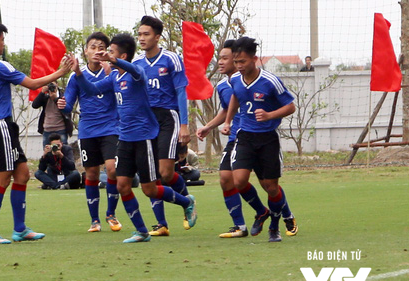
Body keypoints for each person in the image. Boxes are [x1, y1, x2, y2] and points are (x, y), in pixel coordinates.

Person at [69, 33, 197, 243]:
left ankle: (186, 202)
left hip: (144, 138)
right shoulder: (113, 77)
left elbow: (135, 69)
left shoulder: (137, 74)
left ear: (123, 55)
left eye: (111, 51)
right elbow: (91, 90)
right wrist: (77, 72)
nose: (106, 54)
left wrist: (114, 61)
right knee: (122, 185)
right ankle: (141, 231)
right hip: (125, 139)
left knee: (150, 188)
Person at [0, 21, 71, 245]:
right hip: (1, 127)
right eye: (2, 40)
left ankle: (20, 229)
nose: (4, 44)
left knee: (23, 174)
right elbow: (33, 83)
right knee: (2, 179)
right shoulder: (0, 66)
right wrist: (61, 72)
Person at [221, 36, 299, 242]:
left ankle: (275, 226)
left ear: (254, 59)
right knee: (238, 181)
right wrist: (228, 121)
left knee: (271, 187)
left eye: (242, 62)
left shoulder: (270, 81)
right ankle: (261, 212)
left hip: (267, 140)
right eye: (236, 62)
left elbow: (290, 106)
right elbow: (235, 97)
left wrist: (269, 115)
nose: (239, 66)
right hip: (245, 137)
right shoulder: (235, 79)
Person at [197, 39, 270, 239]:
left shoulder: (249, 79)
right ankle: (241, 225)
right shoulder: (222, 85)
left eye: (225, 58)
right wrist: (209, 126)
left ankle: (285, 216)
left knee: (267, 184)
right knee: (225, 179)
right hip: (235, 139)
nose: (220, 62)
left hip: (255, 138)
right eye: (219, 58)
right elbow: (226, 110)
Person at [58, 31, 122, 233]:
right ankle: (95, 220)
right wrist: (62, 104)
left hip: (112, 128)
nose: (97, 51)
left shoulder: (113, 72)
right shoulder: (76, 77)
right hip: (88, 130)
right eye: (93, 47)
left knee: (112, 169)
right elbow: (68, 106)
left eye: (101, 47)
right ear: (85, 51)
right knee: (92, 174)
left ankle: (111, 214)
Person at [133, 15, 192, 237]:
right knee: (150, 175)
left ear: (157, 37)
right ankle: (161, 224)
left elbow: (181, 91)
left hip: (168, 117)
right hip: (145, 120)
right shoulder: (136, 64)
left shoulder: (171, 59)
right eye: (139, 34)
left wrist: (184, 125)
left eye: (146, 34)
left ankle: (188, 203)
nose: (141, 38)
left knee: (166, 173)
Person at [32, 81, 73, 145]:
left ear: (57, 85)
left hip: (60, 129)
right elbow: (35, 105)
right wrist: (42, 92)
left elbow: (66, 110)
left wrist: (55, 98)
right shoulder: (45, 97)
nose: (51, 87)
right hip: (47, 129)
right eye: (49, 85)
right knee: (47, 152)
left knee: (63, 151)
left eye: (53, 85)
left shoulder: (63, 96)